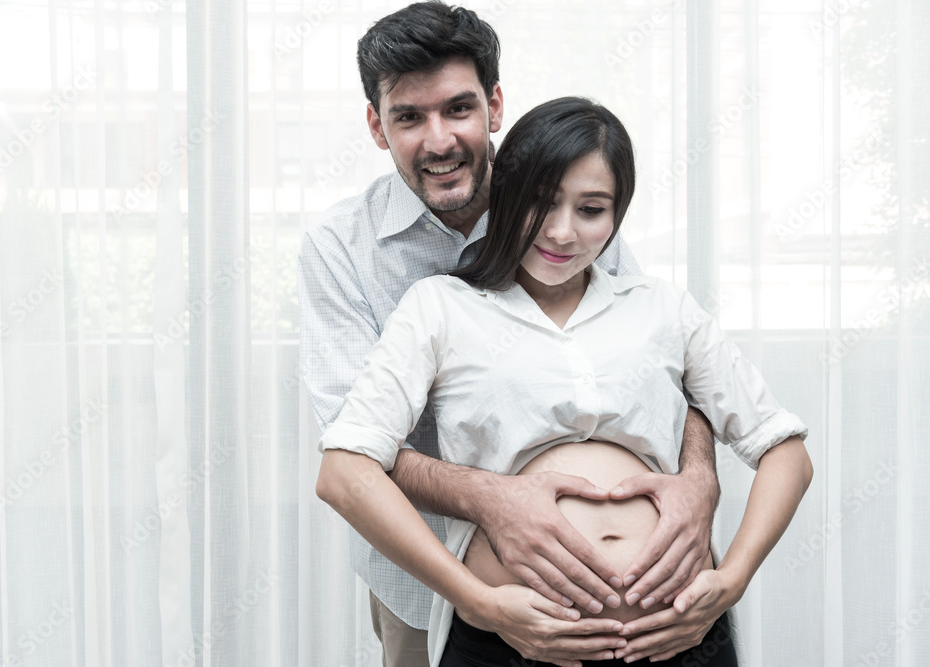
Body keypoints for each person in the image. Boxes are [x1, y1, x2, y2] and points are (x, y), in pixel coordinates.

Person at [315, 96, 813, 667]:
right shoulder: (441, 307)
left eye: (591, 209)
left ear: (617, 215)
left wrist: (733, 579)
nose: (561, 232)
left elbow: (785, 451)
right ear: (506, 195)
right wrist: (477, 602)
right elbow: (343, 472)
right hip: (509, 644)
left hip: (678, 637)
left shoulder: (663, 308)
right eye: (542, 202)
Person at [298, 3, 721, 665]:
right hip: (424, 583)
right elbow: (353, 451)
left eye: (458, 108)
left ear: (494, 106)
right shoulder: (340, 249)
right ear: (377, 127)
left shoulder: (567, 211)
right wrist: (494, 503)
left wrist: (700, 479)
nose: (439, 140)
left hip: (641, 605)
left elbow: (671, 366)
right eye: (409, 117)